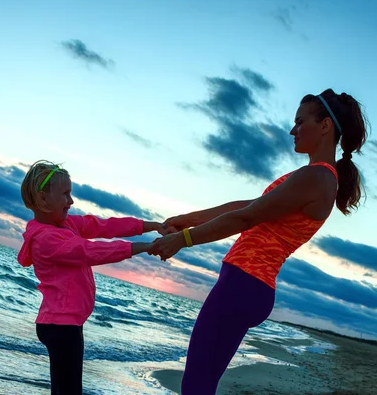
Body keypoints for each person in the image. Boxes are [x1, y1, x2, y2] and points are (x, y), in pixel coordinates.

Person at [151, 89, 368, 395]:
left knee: (196, 384)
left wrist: (182, 241)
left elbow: (246, 218)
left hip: (243, 283)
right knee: (202, 383)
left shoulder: (318, 178)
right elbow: (244, 206)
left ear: (325, 126)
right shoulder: (312, 177)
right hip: (249, 285)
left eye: (300, 121)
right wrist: (188, 218)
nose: (292, 130)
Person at [17, 160, 165, 395]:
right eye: (65, 194)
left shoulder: (66, 224)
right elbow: (90, 251)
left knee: (66, 389)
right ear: (43, 199)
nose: (71, 201)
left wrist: (153, 225)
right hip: (60, 326)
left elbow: (103, 226)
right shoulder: (46, 240)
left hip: (65, 324)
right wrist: (144, 247)